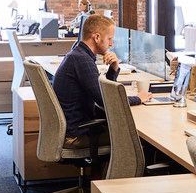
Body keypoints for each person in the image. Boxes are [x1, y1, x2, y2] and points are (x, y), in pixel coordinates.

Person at [51, 14, 148, 150]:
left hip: (74, 128)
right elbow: (107, 100)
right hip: (76, 136)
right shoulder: (82, 60)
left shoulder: (78, 54)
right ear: (97, 37)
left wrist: (113, 68)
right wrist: (138, 98)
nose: (111, 44)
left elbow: (103, 91)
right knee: (136, 140)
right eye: (109, 39)